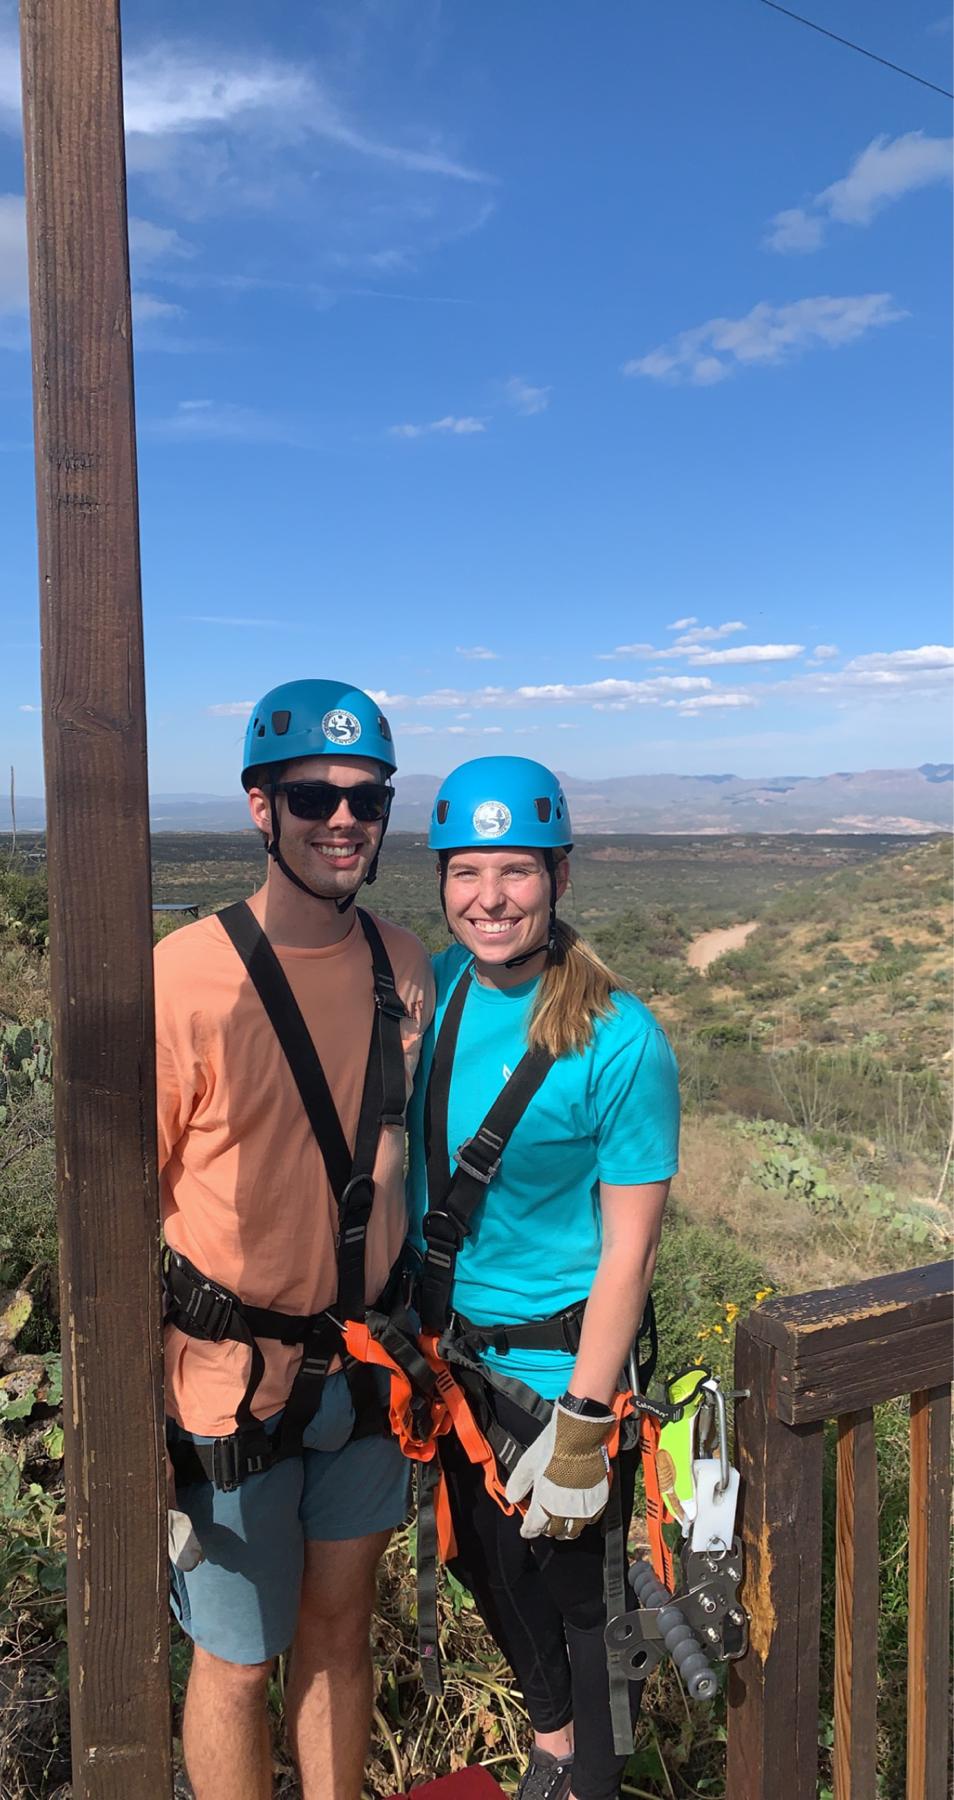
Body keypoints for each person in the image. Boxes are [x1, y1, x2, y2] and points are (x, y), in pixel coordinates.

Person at [156, 679, 434, 1800]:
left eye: (366, 800)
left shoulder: (402, 965)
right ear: (259, 809)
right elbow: (123, 1198)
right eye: (312, 795)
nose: (342, 821)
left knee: (339, 1629)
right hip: (230, 1382)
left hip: (365, 1372)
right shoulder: (184, 980)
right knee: (235, 1659)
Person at [407, 756, 680, 1800]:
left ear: (560, 876)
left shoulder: (619, 1039)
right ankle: (553, 1753)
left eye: (515, 871)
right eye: (467, 872)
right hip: (448, 1356)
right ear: (439, 882)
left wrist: (582, 1419)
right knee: (484, 1567)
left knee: (576, 1611)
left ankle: (589, 1775)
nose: (489, 898)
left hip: (555, 1370)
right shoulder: (428, 993)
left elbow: (632, 1249)